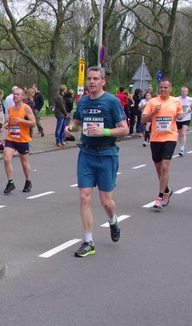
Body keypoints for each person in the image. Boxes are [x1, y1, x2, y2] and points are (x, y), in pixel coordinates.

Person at [72, 66, 127, 257]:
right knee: (84, 196)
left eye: (96, 78)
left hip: (107, 154)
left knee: (105, 201)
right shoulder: (83, 101)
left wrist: (103, 131)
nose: (92, 82)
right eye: (89, 79)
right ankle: (88, 241)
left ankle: (112, 220)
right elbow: (77, 123)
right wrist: (70, 129)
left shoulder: (112, 102)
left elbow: (124, 129)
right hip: (86, 154)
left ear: (103, 81)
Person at [140, 79, 182, 209]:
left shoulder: (175, 101)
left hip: (170, 137)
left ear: (170, 88)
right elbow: (143, 120)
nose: (163, 89)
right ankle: (167, 190)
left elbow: (180, 114)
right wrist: (153, 112)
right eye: (161, 87)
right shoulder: (152, 102)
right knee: (158, 167)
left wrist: (179, 116)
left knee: (164, 166)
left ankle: (160, 196)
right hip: (156, 138)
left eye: (166, 87)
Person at [2, 86, 36, 194]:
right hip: (11, 137)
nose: (15, 96)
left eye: (17, 94)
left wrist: (21, 120)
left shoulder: (26, 108)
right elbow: (12, 122)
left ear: (22, 96)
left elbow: (33, 123)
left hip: (23, 138)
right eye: (14, 94)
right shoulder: (11, 109)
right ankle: (10, 182)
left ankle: (28, 181)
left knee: (24, 162)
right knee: (6, 159)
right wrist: (8, 124)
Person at [177, 86, 192, 155]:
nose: (183, 93)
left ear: (187, 92)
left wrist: (191, 110)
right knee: (180, 134)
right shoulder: (177, 99)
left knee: (183, 133)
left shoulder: (190, 99)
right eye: (182, 91)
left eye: (185, 91)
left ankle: (182, 148)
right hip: (179, 118)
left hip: (186, 118)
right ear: (181, 92)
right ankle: (181, 145)